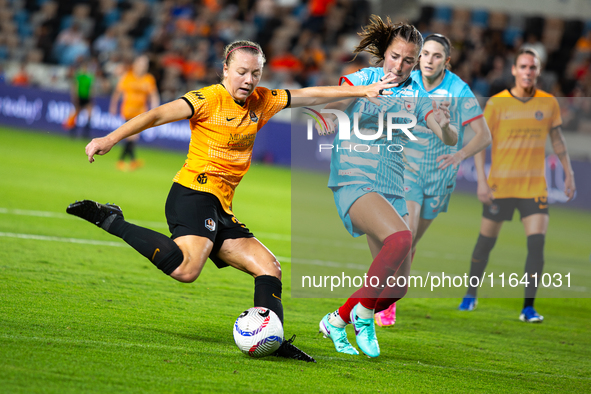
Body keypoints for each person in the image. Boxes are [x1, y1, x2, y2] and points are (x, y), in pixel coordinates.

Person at [66, 40, 396, 362]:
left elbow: (311, 94)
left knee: (269, 267)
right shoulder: (207, 99)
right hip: (192, 193)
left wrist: (361, 90)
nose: (249, 80)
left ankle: (274, 339)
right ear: (225, 70)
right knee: (186, 268)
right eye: (241, 72)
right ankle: (111, 219)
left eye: (256, 73)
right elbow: (155, 115)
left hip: (221, 206)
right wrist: (109, 138)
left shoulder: (263, 100)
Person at [317, 17, 457, 358]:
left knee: (396, 289)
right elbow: (335, 102)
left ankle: (338, 320)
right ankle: (362, 317)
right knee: (401, 238)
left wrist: (446, 125)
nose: (401, 65)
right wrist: (327, 115)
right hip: (355, 179)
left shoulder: (418, 93)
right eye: (396, 56)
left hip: (392, 186)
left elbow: (446, 135)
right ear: (385, 53)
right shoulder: (363, 79)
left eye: (410, 60)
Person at [373, 33, 492, 327]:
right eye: (425, 53)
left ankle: (391, 291)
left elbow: (484, 135)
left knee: (411, 243)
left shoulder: (458, 90)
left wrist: (459, 155)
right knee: (406, 234)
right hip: (407, 171)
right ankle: (388, 300)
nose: (428, 60)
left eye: (437, 56)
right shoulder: (407, 82)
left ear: (447, 61)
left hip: (440, 177)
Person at [458, 48, 576, 322]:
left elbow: (558, 140)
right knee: (485, 244)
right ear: (514, 70)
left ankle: (528, 308)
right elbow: (480, 143)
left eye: (532, 67)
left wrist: (568, 172)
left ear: (538, 71)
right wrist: (481, 182)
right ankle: (470, 293)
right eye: (523, 66)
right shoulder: (497, 104)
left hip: (533, 187)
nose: (528, 72)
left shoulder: (549, 103)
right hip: (500, 186)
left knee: (536, 246)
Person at [109, 55, 159, 171]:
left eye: (145, 64)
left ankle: (129, 161)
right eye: (141, 63)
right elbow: (117, 92)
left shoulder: (149, 79)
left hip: (141, 112)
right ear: (136, 64)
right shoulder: (128, 76)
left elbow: (153, 95)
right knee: (132, 137)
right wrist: (113, 106)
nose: (143, 66)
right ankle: (124, 161)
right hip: (128, 111)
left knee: (132, 137)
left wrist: (155, 108)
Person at [63, 58, 96, 139]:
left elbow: (91, 88)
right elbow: (75, 87)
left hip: (87, 97)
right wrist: (75, 96)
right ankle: (73, 132)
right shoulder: (78, 76)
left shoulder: (90, 77)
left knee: (89, 115)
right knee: (76, 114)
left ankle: (85, 133)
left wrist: (92, 98)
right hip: (79, 97)